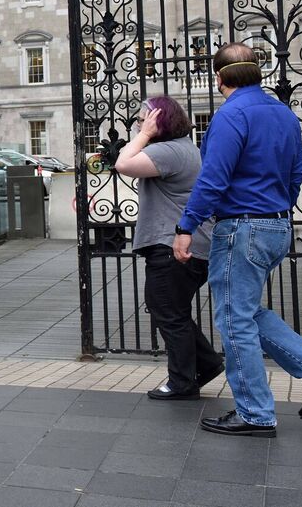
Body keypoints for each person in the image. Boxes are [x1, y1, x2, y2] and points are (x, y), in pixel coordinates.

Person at [174, 43, 302, 437]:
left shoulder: (230, 116)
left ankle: (255, 413)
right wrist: (276, 207)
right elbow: (295, 174)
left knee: (234, 319)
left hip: (242, 227)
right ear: (257, 72)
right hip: (276, 224)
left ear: (218, 78)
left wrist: (186, 227)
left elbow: (213, 179)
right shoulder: (283, 115)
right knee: (247, 312)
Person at [114, 95, 222, 400]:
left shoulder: (168, 151)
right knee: (171, 310)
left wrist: (145, 134)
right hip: (184, 244)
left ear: (158, 121)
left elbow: (122, 163)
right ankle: (207, 363)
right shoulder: (183, 149)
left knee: (167, 311)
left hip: (172, 245)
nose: (137, 125)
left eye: (141, 119)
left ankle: (182, 382)